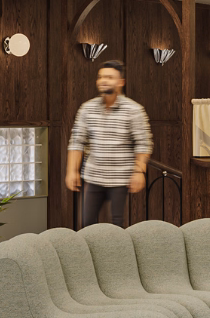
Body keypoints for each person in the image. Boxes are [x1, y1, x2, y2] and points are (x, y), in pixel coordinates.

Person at [65, 60, 152, 229]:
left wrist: (139, 171)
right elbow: (77, 141)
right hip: (94, 176)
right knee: (86, 224)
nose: (104, 80)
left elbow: (143, 143)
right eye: (101, 77)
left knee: (117, 226)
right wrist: (71, 171)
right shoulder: (87, 108)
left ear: (121, 82)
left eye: (110, 77)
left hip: (121, 179)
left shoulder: (134, 110)